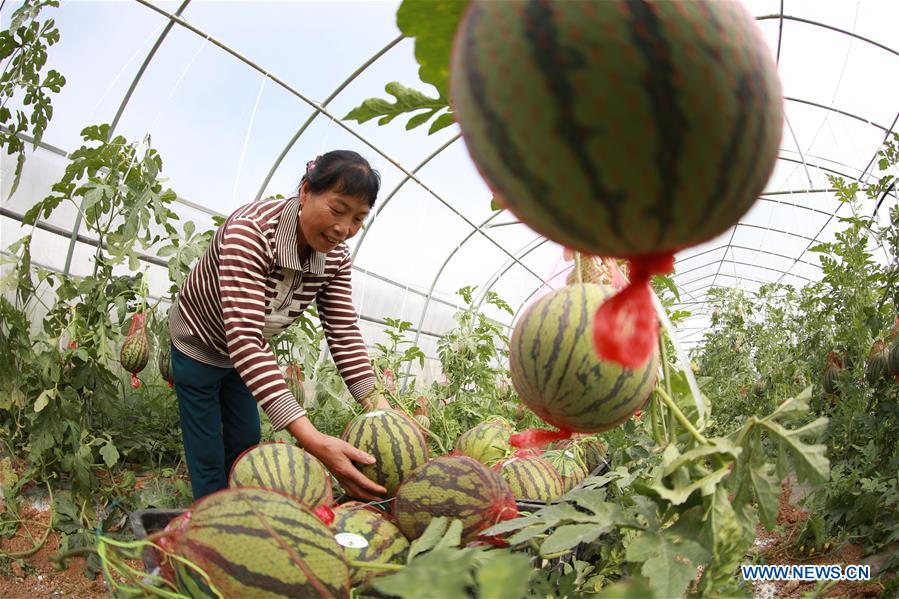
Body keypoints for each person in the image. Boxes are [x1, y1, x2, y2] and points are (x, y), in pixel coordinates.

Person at [168, 150, 389, 501]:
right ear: (305, 192)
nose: (343, 229)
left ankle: (238, 505)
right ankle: (210, 518)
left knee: (244, 438)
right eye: (337, 210)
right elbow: (243, 338)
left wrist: (379, 408)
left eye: (358, 219)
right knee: (206, 448)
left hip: (246, 352)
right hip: (199, 343)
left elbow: (343, 328)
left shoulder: (334, 258)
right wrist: (314, 441)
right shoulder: (250, 233)